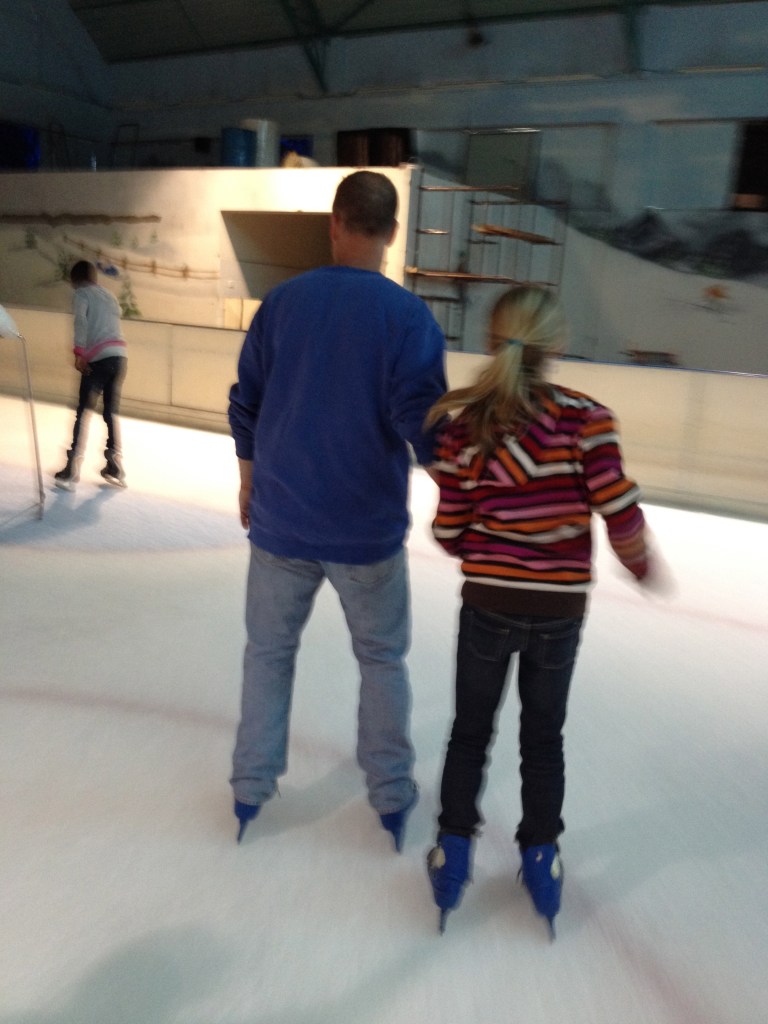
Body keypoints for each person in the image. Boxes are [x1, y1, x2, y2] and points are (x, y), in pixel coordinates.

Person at [424, 285, 654, 936]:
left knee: (471, 731)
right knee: (542, 738)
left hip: (487, 603)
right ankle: (541, 856)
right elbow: (619, 509)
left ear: (495, 340)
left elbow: (449, 532)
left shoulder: (465, 428)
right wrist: (640, 563)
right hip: (558, 611)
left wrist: (480, 537)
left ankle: (452, 852)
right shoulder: (588, 419)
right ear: (557, 345)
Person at [228, 170, 446, 848]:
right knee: (382, 660)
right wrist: (463, 488)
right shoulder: (408, 318)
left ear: (336, 222)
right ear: (392, 231)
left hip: (282, 520)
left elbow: (247, 400)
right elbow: (422, 421)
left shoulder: (283, 303)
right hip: (366, 532)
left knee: (268, 654)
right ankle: (390, 793)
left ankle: (250, 787)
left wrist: (248, 476)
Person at [54, 260, 127, 489]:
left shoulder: (82, 294)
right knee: (109, 411)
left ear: (76, 280)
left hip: (98, 358)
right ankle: (114, 462)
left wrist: (79, 351)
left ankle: (72, 467)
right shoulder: (109, 296)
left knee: (83, 411)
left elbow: (81, 321)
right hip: (120, 356)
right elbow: (116, 316)